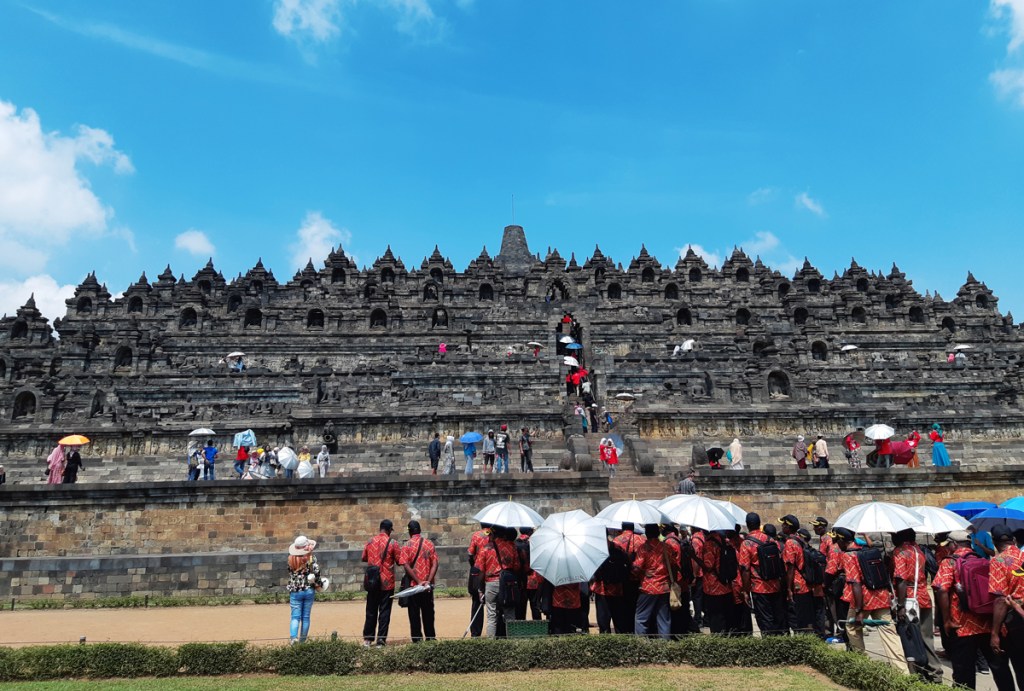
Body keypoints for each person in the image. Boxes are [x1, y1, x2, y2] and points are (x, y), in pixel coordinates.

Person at [935, 530, 1012, 689]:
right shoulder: (983, 560)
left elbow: (942, 589)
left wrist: (946, 621)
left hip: (962, 625)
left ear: (954, 544)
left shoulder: (949, 562)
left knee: (964, 672)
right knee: (999, 668)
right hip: (987, 623)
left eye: (948, 545)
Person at [835, 528, 908, 674]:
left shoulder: (849, 556)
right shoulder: (868, 550)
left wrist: (859, 611)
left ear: (842, 540)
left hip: (863, 599)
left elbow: (855, 583)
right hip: (881, 595)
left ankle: (862, 666)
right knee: (889, 632)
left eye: (838, 540)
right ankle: (902, 671)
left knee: (852, 628)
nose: (837, 544)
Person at [892, 528, 943, 683]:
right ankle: (935, 672)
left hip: (908, 598)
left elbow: (901, 579)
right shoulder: (918, 550)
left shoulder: (900, 552)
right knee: (926, 637)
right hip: (922, 596)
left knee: (910, 637)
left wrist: (900, 606)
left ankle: (916, 672)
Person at [739, 512, 786, 636]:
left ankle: (769, 647)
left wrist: (745, 590)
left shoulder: (746, 543)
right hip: (775, 585)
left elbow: (745, 569)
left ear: (748, 525)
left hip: (759, 588)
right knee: (777, 618)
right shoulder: (771, 540)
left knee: (765, 620)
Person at [989, 525, 1024, 686]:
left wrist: (994, 633)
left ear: (994, 542)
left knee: (1011, 664)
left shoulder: (998, 561)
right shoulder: (1023, 555)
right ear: (1014, 540)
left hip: (1013, 621)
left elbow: (1000, 599)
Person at [361, 519, 403, 647]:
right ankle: (381, 640)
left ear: (380, 529)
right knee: (384, 612)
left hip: (372, 581)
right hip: (386, 582)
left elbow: (364, 557)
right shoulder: (393, 543)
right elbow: (399, 560)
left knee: (371, 610)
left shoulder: (370, 541)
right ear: (389, 530)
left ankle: (368, 639)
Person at [632, 523, 673, 640]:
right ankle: (664, 650)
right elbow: (673, 565)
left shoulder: (643, 548)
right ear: (658, 533)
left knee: (641, 618)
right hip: (664, 586)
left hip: (648, 587)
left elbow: (636, 569)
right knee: (664, 619)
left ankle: (641, 648)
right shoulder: (667, 547)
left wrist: (638, 569)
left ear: (647, 533)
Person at [478, 526, 521, 637]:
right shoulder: (512, 546)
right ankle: (513, 642)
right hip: (507, 584)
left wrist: (480, 588)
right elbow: (517, 566)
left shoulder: (485, 548)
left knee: (491, 616)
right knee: (510, 614)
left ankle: (491, 644)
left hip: (491, 583)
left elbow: (480, 570)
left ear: (493, 534)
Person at [402, 520, 438, 642]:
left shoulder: (407, 545)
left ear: (409, 532)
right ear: (420, 530)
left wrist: (418, 581)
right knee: (428, 613)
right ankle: (431, 637)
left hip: (414, 586)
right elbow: (435, 564)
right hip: (427, 587)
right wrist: (427, 581)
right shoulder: (429, 544)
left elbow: (406, 565)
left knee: (414, 614)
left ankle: (417, 640)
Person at [697, 528, 736, 634]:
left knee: (715, 617)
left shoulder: (710, 543)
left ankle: (718, 640)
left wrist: (694, 557)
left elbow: (708, 566)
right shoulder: (723, 540)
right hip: (725, 584)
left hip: (713, 586)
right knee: (725, 615)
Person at [780, 515, 814, 634]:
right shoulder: (799, 540)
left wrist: (789, 588)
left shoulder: (790, 543)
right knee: (805, 617)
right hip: (805, 584)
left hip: (797, 585)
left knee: (798, 618)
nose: (782, 526)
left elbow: (790, 567)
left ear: (788, 527)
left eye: (784, 524)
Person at [286, 535, 323, 644]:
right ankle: (302, 641)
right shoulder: (311, 559)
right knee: (305, 617)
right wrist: (319, 583)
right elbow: (317, 573)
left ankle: (293, 639)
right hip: (308, 590)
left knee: (295, 617)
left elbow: (290, 572)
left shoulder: (291, 559)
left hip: (295, 590)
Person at [467, 524, 491, 637]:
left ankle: (476, 633)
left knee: (477, 602)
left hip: (478, 571)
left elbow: (470, 554)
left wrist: (475, 565)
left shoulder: (476, 535)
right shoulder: (495, 535)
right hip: (492, 570)